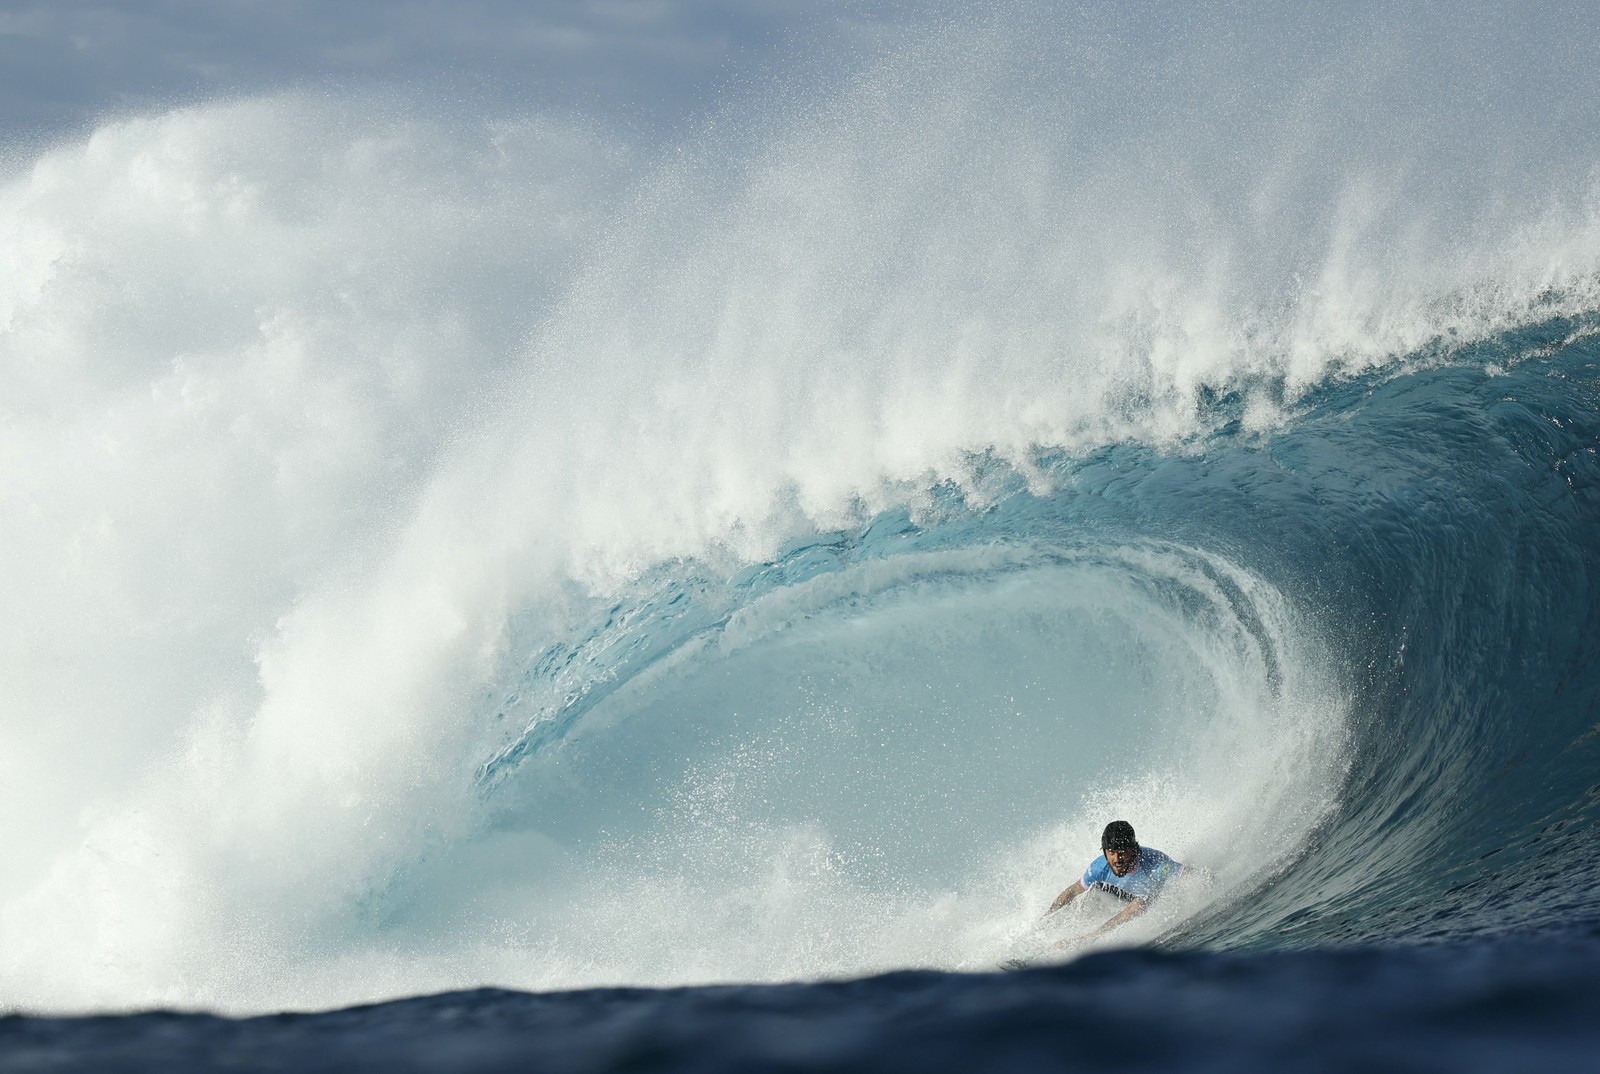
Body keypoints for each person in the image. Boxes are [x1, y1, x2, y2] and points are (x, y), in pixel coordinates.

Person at [1044, 820, 1186, 943]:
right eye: (1111, 852)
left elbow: (1186, 872)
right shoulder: (1099, 867)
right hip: (1123, 894)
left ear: (1133, 849)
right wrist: (1045, 919)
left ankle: (1090, 937)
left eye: (1122, 852)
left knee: (1142, 902)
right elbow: (1073, 891)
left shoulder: (1155, 864)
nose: (1117, 859)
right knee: (1089, 896)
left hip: (1151, 897)